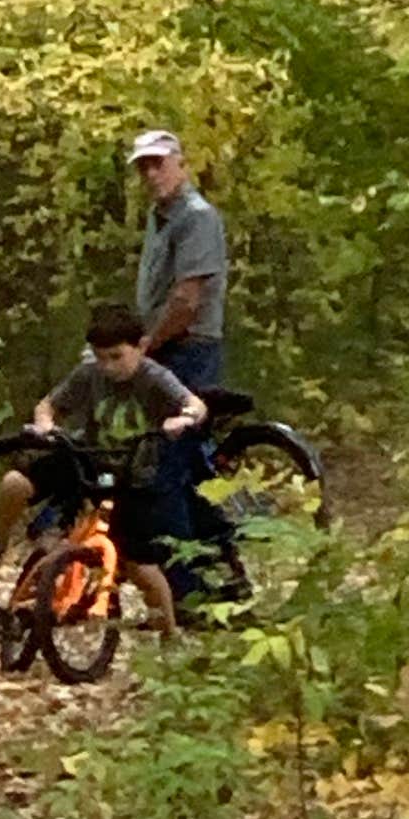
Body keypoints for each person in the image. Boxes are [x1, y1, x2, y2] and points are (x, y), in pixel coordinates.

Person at [0, 302, 207, 629]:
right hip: (85, 461)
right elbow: (47, 405)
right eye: (100, 357)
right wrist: (45, 425)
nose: (108, 366)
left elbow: (195, 404)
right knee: (15, 484)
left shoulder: (154, 377)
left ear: (141, 347)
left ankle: (168, 633)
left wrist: (184, 418)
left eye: (116, 357)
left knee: (141, 567)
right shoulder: (88, 374)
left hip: (131, 476)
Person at [129, 128, 239, 596]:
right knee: (183, 465)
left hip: (188, 349)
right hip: (163, 347)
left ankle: (186, 590)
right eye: (144, 166)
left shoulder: (197, 217)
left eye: (159, 162)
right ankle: (221, 568)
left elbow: (186, 300)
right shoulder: (159, 218)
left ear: (180, 163)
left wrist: (146, 346)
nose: (152, 173)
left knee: (166, 468)